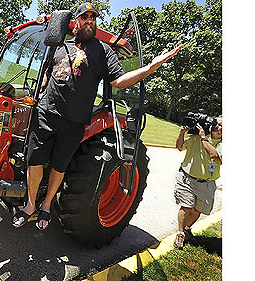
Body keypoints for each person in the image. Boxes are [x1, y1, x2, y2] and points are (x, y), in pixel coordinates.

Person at [12, 2, 184, 230]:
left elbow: (119, 81)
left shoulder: (103, 51)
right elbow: (48, 72)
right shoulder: (60, 45)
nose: (90, 21)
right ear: (76, 21)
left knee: (59, 167)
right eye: (85, 17)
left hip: (74, 122)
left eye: (93, 18)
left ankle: (46, 205)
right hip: (46, 114)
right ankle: (31, 204)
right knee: (34, 162)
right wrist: (41, 91)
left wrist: (152, 66)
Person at [173, 116, 222, 249]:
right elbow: (179, 146)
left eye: (221, 125)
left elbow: (214, 155)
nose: (218, 126)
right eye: (216, 124)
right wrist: (182, 132)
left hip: (206, 183)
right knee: (186, 207)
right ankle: (180, 233)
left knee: (197, 211)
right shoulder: (196, 138)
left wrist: (203, 138)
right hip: (187, 179)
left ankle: (187, 228)